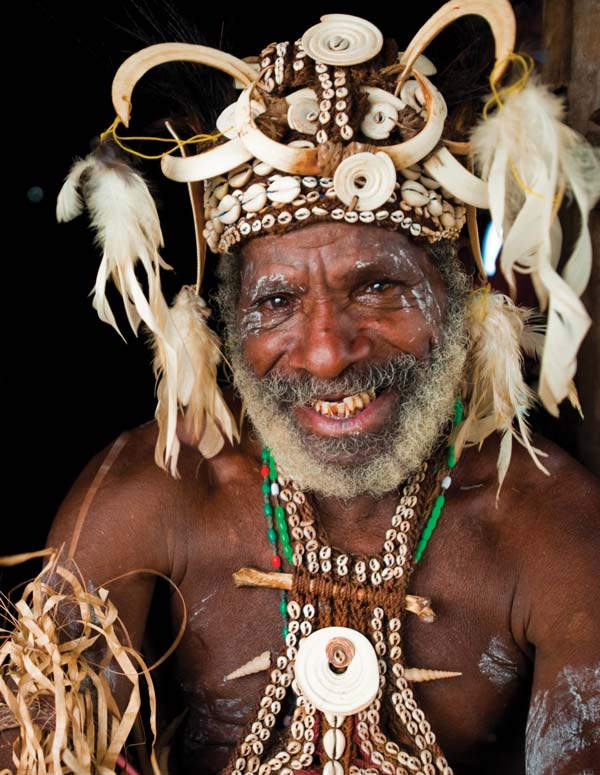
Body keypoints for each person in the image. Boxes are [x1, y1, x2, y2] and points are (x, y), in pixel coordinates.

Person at [2, 3, 599, 774]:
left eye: (380, 286)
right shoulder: (154, 494)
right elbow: (37, 748)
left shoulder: (549, 530)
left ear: (458, 294)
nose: (325, 354)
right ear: (227, 322)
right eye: (278, 301)